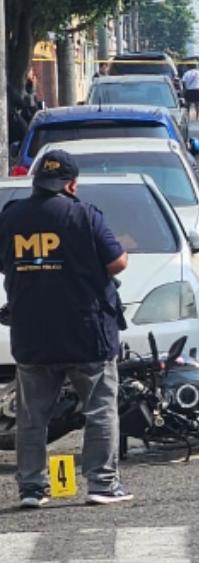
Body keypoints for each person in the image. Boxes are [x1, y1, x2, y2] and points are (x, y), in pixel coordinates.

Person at [0, 151, 133, 508]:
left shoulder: (11, 216)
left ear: (36, 181)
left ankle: (31, 488)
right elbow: (117, 262)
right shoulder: (84, 215)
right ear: (71, 184)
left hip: (32, 334)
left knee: (32, 415)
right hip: (85, 333)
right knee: (100, 409)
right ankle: (102, 485)